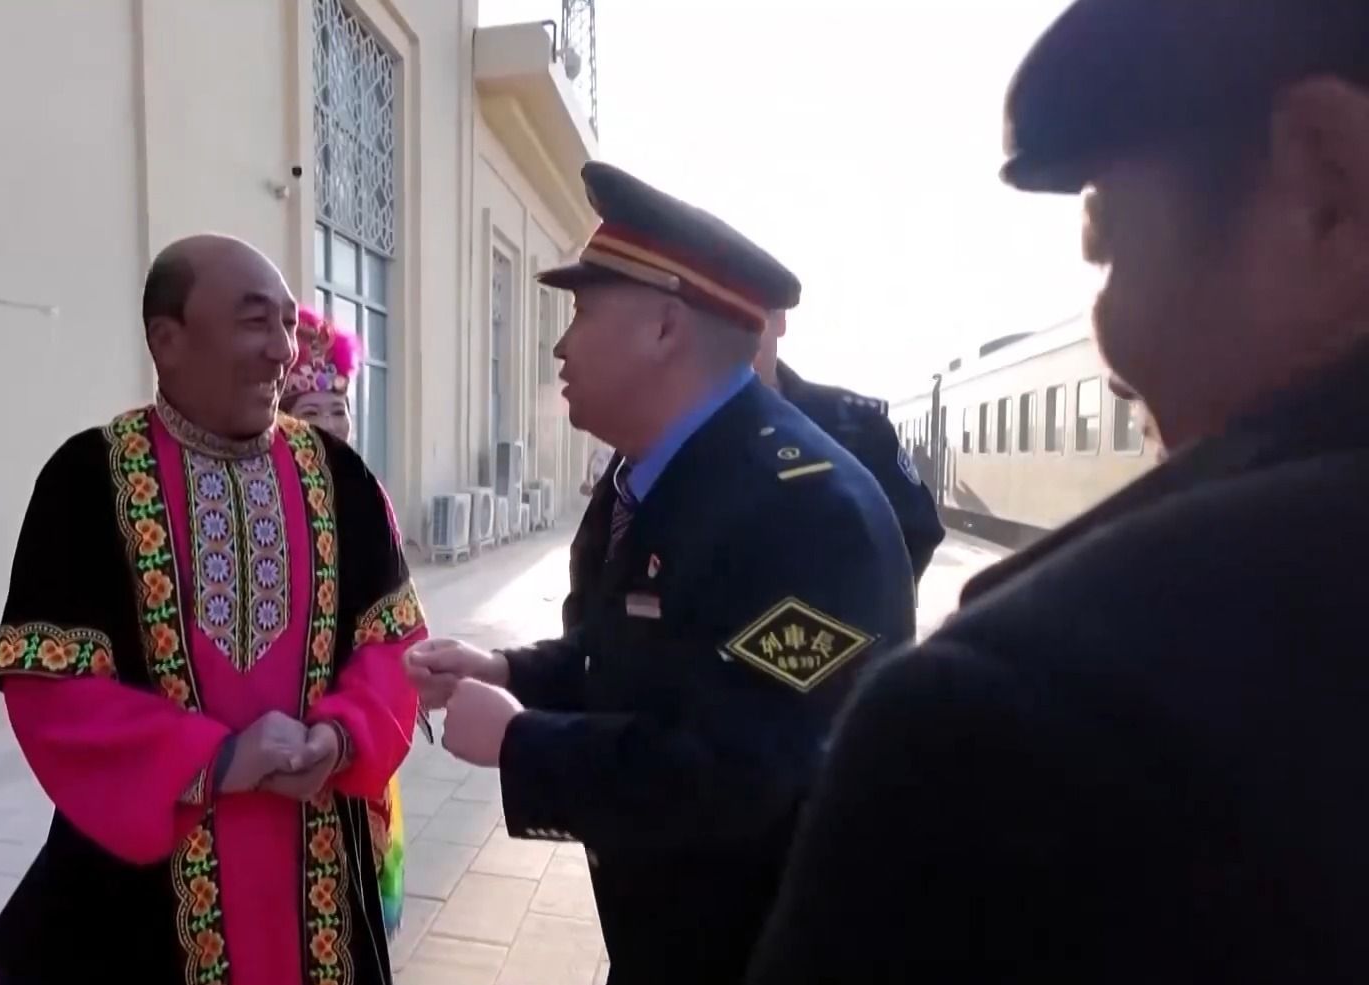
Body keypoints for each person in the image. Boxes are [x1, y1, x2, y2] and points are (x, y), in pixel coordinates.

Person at [745, 2, 1369, 982]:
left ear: (1325, 190)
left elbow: (896, 539)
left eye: (1108, 246)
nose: (1113, 369)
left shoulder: (1015, 719)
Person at [406, 162, 916, 984]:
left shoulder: (806, 511)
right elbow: (634, 658)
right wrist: (507, 671)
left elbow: (745, 771)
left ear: (664, 329)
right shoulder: (662, 476)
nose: (561, 345)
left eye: (582, 312)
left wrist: (520, 742)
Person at [0, 234, 423, 984]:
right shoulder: (85, 480)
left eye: (287, 323)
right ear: (168, 339)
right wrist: (215, 760)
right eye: (255, 322)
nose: (282, 350)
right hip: (144, 893)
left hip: (318, 864)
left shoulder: (341, 476)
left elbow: (393, 642)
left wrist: (341, 736)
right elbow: (50, 683)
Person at [276, 304, 426, 943]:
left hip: (352, 717)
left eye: (338, 410)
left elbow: (396, 620)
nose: (331, 425)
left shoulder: (367, 494)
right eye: (311, 412)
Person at [756, 309, 947, 579]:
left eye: (747, 315)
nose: (728, 334)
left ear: (779, 321)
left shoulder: (855, 426)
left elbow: (916, 530)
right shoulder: (690, 422)